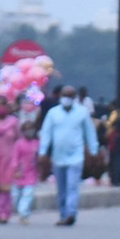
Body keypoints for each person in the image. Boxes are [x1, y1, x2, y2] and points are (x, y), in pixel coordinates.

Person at [39, 86, 98, 227]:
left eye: (70, 95)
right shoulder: (53, 113)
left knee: (72, 186)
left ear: (74, 97)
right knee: (61, 188)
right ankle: (63, 214)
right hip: (58, 156)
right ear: (60, 96)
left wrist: (94, 151)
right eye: (65, 95)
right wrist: (43, 152)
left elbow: (89, 133)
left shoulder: (82, 112)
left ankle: (71, 213)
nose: (67, 98)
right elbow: (46, 133)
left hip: (76, 156)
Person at [10, 121, 40, 224]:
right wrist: (15, 170)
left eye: (31, 129)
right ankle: (20, 211)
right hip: (20, 173)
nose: (30, 132)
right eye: (27, 130)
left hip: (31, 173)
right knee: (16, 196)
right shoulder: (19, 144)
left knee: (28, 194)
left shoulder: (36, 143)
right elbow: (15, 158)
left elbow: (39, 159)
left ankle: (24, 214)